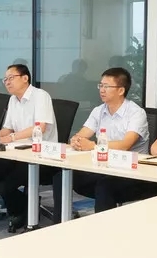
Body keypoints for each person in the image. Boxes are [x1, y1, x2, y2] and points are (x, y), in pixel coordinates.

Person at [52, 67, 149, 215]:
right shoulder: (99, 110)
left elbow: (125, 145)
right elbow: (82, 134)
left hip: (131, 172)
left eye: (107, 86)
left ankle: (102, 228)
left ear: (121, 90)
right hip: (102, 167)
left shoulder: (136, 113)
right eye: (101, 85)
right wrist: (76, 140)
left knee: (104, 185)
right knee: (62, 176)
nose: (102, 90)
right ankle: (61, 221)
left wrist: (93, 146)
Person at [0, 64, 57, 231]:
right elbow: (9, 129)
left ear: (25, 78)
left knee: (7, 184)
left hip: (39, 155)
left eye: (11, 78)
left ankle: (21, 213)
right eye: (5, 79)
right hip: (16, 152)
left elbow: (40, 127)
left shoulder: (41, 96)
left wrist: (11, 137)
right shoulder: (13, 99)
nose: (7, 82)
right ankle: (26, 206)